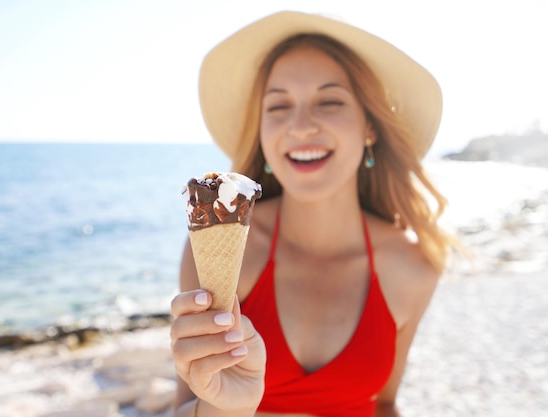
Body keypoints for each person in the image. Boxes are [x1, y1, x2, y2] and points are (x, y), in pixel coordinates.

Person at [170, 10, 454, 417]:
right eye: (278, 106)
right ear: (263, 135)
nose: (301, 126)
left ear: (370, 127)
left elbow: (385, 405)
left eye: (330, 100)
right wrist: (225, 407)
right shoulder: (227, 257)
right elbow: (187, 408)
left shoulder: (414, 267)